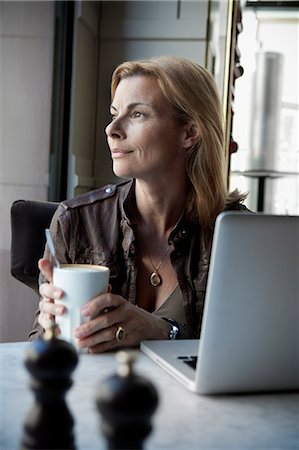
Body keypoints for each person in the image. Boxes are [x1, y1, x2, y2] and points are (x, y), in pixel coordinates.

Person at [30, 56, 247, 353]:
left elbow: (251, 349)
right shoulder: (75, 221)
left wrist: (164, 332)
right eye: (115, 113)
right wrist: (49, 328)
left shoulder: (238, 235)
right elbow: (35, 351)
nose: (112, 129)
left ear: (189, 133)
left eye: (138, 115)